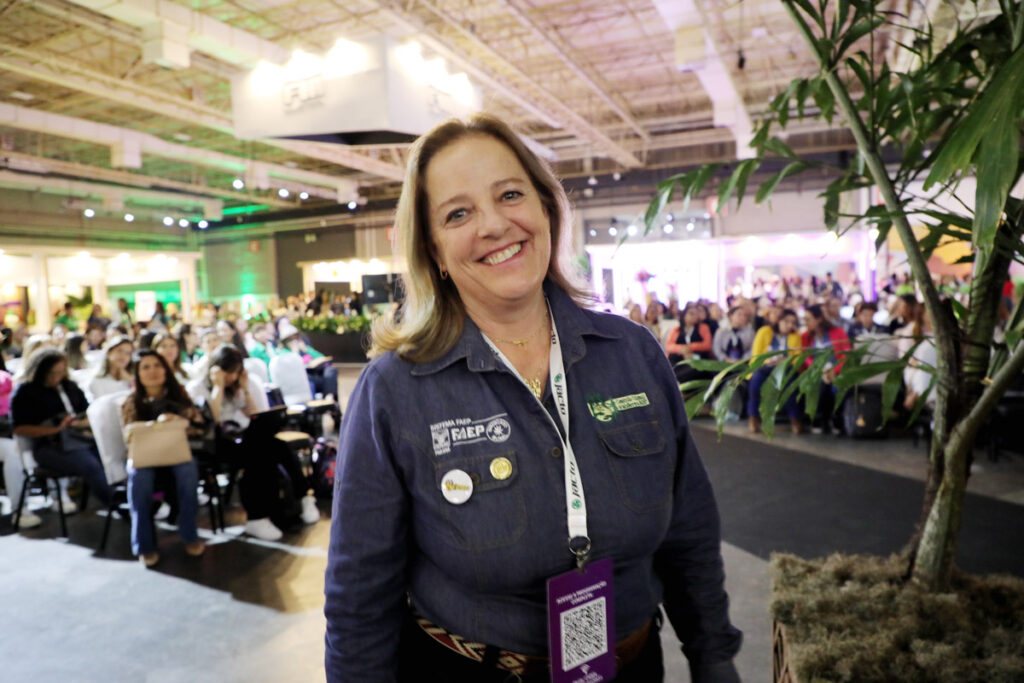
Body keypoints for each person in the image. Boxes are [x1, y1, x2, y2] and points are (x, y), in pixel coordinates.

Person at [324, 114, 741, 682]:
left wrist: (713, 656)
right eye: (458, 213)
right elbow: (359, 593)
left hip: (634, 667)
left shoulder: (632, 353)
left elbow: (688, 528)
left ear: (546, 208)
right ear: (436, 253)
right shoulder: (395, 389)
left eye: (511, 194)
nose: (495, 224)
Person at [186, 345, 318, 541]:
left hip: (240, 439)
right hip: (212, 444)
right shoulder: (196, 388)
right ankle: (258, 516)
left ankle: (303, 498)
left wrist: (245, 388)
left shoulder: (236, 389)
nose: (232, 377)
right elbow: (211, 419)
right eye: (229, 372)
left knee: (276, 446)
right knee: (263, 451)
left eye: (236, 373)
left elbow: (254, 415)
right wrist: (218, 387)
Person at [121, 350, 205, 567]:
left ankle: (189, 534)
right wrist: (152, 427)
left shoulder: (179, 396)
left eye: (157, 366)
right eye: (145, 367)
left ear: (166, 370)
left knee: (187, 470)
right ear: (138, 373)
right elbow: (127, 435)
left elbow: (199, 425)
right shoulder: (132, 401)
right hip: (144, 457)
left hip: (177, 453)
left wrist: (178, 418)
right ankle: (144, 545)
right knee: (140, 478)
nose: (152, 372)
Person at [10, 348, 113, 509]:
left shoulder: (69, 386)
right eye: (52, 373)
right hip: (48, 445)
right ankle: (118, 503)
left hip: (79, 439)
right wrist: (56, 429)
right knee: (90, 465)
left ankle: (133, 499)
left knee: (110, 456)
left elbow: (87, 412)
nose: (56, 377)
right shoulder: (26, 392)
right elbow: (20, 428)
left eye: (61, 372)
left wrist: (80, 423)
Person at [747, 309, 802, 434]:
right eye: (786, 321)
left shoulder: (795, 336)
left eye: (793, 322)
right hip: (764, 367)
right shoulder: (765, 331)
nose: (789, 325)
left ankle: (795, 419)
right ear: (779, 320)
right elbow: (756, 355)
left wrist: (785, 362)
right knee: (756, 382)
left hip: (785, 370)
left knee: (789, 387)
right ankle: (754, 417)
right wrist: (768, 361)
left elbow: (798, 358)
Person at [798, 304, 851, 434]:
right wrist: (819, 370)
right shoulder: (806, 336)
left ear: (819, 319)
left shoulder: (838, 332)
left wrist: (834, 370)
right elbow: (805, 357)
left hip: (836, 370)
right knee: (816, 386)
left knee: (837, 387)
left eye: (808, 319)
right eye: (804, 319)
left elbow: (846, 355)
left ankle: (836, 419)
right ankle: (818, 418)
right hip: (817, 371)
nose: (806, 323)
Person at [665, 303, 713, 383]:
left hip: (697, 358)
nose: (694, 316)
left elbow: (707, 345)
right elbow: (669, 345)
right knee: (673, 361)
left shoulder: (703, 327)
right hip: (679, 358)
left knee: (695, 369)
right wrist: (681, 349)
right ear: (684, 315)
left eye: (696, 314)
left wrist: (689, 348)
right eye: (691, 313)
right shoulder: (676, 330)